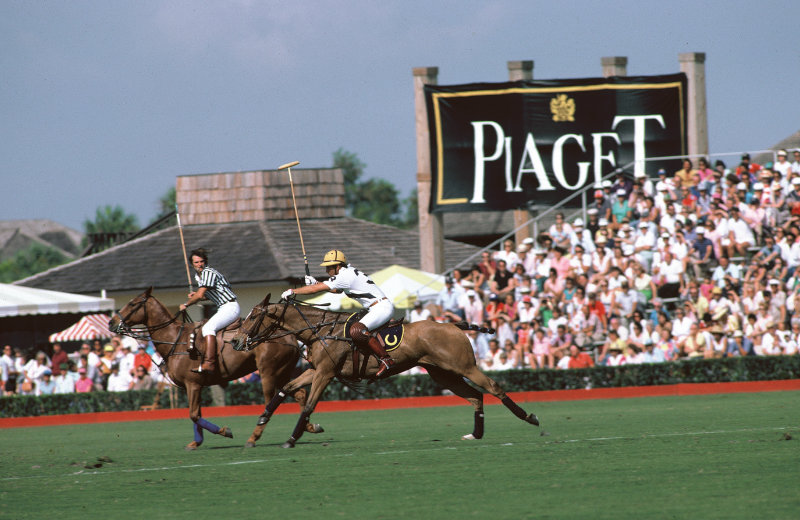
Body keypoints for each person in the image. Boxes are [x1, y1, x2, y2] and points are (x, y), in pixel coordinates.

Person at [282, 249, 396, 377]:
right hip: (376, 307)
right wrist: (316, 282)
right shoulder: (347, 272)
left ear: (337, 266)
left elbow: (315, 290)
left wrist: (293, 291)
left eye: (328, 267)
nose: (326, 271)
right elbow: (338, 290)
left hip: (381, 308)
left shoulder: (345, 275)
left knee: (357, 330)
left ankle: (386, 359)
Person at [179, 248, 240, 374]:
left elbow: (201, 295)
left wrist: (186, 304)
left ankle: (209, 363)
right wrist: (197, 295)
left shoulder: (208, 272)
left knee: (208, 328)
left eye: (201, 261)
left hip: (230, 307)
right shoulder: (199, 276)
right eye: (196, 262)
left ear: (205, 262)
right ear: (192, 264)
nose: (199, 264)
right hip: (223, 307)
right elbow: (209, 294)